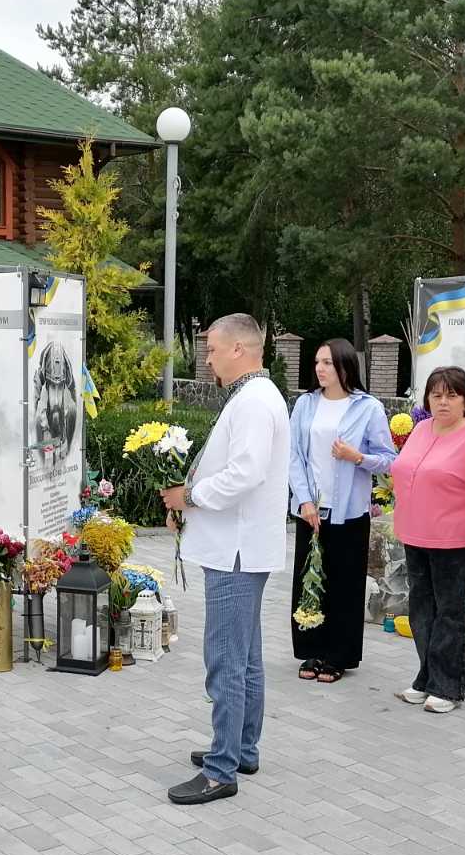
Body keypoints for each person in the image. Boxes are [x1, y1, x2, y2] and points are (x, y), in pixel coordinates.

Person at [161, 313, 290, 806]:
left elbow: (245, 473)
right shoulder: (256, 394)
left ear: (239, 349)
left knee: (226, 661)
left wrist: (190, 497)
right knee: (246, 657)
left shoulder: (254, 400)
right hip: (241, 545)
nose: (207, 359)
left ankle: (220, 771)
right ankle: (241, 750)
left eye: (212, 349)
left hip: (235, 550)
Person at [287, 339, 396, 683]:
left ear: (346, 366)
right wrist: (304, 500)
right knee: (310, 582)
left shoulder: (368, 408)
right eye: (317, 362)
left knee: (344, 584)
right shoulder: (305, 404)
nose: (320, 368)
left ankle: (338, 655)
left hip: (349, 512)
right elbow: (294, 456)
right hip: (311, 511)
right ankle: (312, 650)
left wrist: (357, 457)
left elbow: (390, 460)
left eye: (328, 363)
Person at [390, 366, 465, 713]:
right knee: (421, 610)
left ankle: (448, 687)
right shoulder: (421, 429)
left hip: (455, 538)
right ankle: (427, 677)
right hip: (415, 533)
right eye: (436, 395)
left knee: (451, 612)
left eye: (451, 395)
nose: (443, 402)